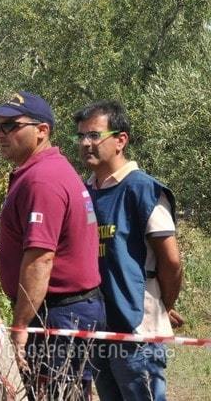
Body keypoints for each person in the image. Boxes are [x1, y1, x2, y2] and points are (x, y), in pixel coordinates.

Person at [0, 91, 104, 399]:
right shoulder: (42, 172)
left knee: (59, 394)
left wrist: (20, 327)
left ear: (42, 131)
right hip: (63, 312)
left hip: (58, 315)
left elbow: (40, 261)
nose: (1, 133)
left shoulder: (42, 180)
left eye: (11, 126)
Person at [73, 100, 183, 401]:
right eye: (81, 136)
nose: (85, 143)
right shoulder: (86, 191)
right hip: (97, 327)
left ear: (121, 140)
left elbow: (171, 262)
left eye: (94, 135)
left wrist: (162, 304)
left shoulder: (143, 189)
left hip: (137, 329)